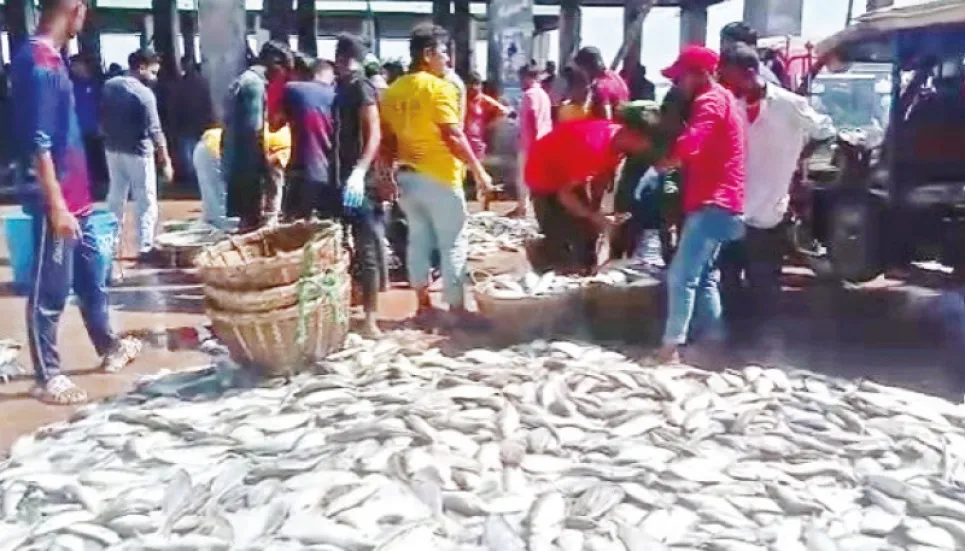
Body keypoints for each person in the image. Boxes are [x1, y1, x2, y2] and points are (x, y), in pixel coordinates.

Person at [11, 0, 141, 404]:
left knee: (91, 281)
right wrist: (56, 206)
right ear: (75, 9)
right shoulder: (38, 63)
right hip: (59, 198)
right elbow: (39, 144)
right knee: (51, 289)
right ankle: (47, 375)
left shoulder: (53, 59)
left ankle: (109, 346)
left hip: (78, 196)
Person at [717, 44, 835, 354]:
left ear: (750, 72)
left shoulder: (790, 104)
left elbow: (826, 132)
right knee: (728, 279)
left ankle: (765, 348)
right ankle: (734, 345)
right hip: (733, 207)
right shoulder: (730, 104)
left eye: (730, 76)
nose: (725, 82)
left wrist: (800, 162)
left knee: (764, 283)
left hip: (770, 208)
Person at [379, 23, 494, 328]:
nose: (447, 59)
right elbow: (453, 136)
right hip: (440, 177)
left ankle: (423, 305)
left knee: (418, 240)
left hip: (407, 179)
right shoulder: (438, 87)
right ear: (428, 54)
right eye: (443, 52)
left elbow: (388, 141)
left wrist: (385, 174)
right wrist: (480, 172)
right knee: (453, 243)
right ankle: (456, 310)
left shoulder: (393, 91)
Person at [655, 45, 747, 365]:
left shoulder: (709, 101)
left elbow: (694, 140)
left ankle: (670, 350)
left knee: (681, 277)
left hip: (713, 203)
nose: (678, 83)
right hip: (728, 204)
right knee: (705, 276)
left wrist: (665, 164)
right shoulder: (726, 99)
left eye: (681, 76)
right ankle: (713, 343)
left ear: (700, 75)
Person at [524, 118, 652, 273]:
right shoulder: (593, 147)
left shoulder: (618, 143)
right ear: (633, 135)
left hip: (570, 172)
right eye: (647, 142)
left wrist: (597, 212)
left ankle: (586, 269)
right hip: (544, 175)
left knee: (588, 235)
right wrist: (595, 217)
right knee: (559, 236)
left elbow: (601, 176)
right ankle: (538, 250)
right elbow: (564, 195)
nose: (647, 149)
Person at [333, 34, 385, 337]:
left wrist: (360, 171)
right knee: (342, 246)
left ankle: (371, 318)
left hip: (359, 183)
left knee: (366, 247)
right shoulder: (339, 88)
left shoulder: (361, 87)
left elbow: (373, 133)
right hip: (340, 179)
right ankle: (346, 306)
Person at [101, 48, 174, 262]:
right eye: (153, 72)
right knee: (146, 199)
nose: (155, 77)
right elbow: (156, 131)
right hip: (139, 153)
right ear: (141, 68)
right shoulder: (144, 95)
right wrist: (166, 161)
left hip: (112, 150)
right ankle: (146, 246)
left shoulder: (109, 86)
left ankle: (110, 246)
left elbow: (102, 117)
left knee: (115, 198)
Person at [223, 41, 290, 231]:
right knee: (250, 223)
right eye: (282, 69)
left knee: (245, 222)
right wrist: (266, 165)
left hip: (234, 158)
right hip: (247, 167)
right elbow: (255, 131)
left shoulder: (243, 79)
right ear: (274, 63)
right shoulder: (254, 85)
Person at [194, 122, 291, 230]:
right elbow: (274, 179)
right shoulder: (289, 146)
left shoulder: (285, 133)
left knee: (214, 211)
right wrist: (272, 216)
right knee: (224, 218)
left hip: (209, 144)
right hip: (214, 152)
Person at [276, 57, 335, 220]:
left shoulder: (293, 89)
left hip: (300, 170)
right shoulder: (338, 95)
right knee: (326, 231)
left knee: (292, 229)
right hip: (330, 175)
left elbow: (276, 123)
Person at [166, 60, 213, 187]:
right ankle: (198, 181)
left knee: (188, 157)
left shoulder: (179, 85)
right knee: (199, 155)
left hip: (185, 126)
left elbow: (173, 108)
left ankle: (192, 182)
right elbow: (208, 106)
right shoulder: (203, 84)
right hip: (200, 125)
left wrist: (173, 126)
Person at [515, 62, 552, 218]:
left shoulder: (530, 95)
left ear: (527, 77)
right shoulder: (544, 94)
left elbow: (534, 117)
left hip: (531, 144)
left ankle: (524, 211)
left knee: (524, 180)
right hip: (543, 142)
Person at [68, 54, 107, 200]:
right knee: (79, 162)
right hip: (75, 131)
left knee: (96, 160)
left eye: (77, 64)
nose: (74, 68)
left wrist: (102, 124)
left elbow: (103, 107)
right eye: (73, 65)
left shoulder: (96, 84)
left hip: (94, 129)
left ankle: (98, 189)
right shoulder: (70, 84)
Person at [464, 71, 511, 177]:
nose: (474, 88)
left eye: (476, 84)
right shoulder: (461, 98)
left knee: (477, 177)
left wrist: (488, 125)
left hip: (477, 144)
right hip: (462, 143)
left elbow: (504, 111)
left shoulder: (482, 99)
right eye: (471, 84)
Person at [719, 22, 782, 88]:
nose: (722, 47)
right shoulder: (722, 71)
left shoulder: (765, 78)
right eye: (721, 41)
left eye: (727, 42)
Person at [574, 46, 630, 120]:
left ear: (586, 67)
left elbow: (606, 118)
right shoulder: (616, 77)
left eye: (581, 70)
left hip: (613, 128)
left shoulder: (600, 86)